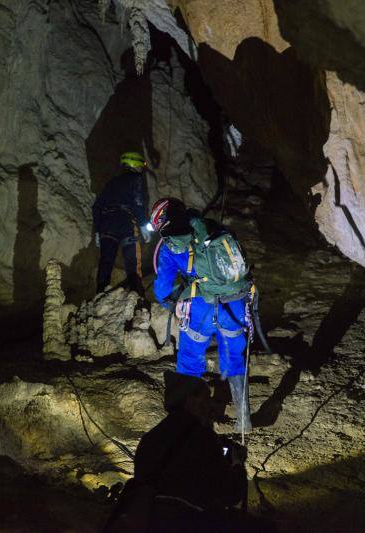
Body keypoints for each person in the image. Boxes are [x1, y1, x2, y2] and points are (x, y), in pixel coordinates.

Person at [149, 198, 252, 433]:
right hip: (234, 303)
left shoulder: (170, 245)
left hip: (199, 307)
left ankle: (193, 423)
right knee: (235, 357)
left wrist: (174, 303)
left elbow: (162, 289)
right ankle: (244, 420)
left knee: (190, 359)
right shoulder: (213, 228)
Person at [104, 371, 254, 533]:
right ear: (190, 401)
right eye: (205, 398)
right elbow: (230, 494)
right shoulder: (202, 437)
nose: (210, 405)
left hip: (149, 522)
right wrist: (238, 464)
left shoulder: (149, 438)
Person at [92, 151, 151, 295]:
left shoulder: (112, 183)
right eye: (141, 165)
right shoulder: (136, 179)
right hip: (125, 222)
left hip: (107, 223)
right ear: (135, 164)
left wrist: (98, 231)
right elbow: (137, 203)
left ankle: (99, 294)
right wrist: (143, 225)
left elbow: (97, 206)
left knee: (106, 261)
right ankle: (137, 295)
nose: (142, 169)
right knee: (132, 261)